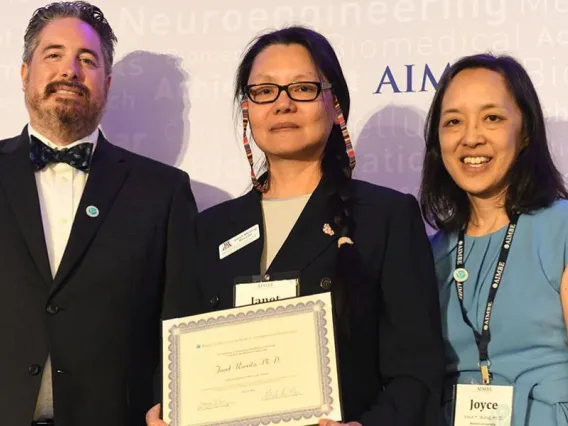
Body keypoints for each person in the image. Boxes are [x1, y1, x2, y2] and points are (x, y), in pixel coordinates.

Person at [147, 26, 444, 426]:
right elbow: (171, 356)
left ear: (334, 102)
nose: (283, 104)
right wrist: (164, 407)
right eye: (265, 91)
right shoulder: (208, 229)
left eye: (302, 88)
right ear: (247, 108)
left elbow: (417, 368)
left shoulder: (384, 217)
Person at [0, 2, 198, 425]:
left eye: (86, 60)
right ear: (23, 74)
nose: (70, 70)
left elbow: (181, 325)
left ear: (106, 83)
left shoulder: (163, 192)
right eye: (53, 55)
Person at [420, 53, 568, 425]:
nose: (471, 138)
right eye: (453, 122)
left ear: (525, 133)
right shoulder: (430, 254)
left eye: (493, 118)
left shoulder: (560, 229)